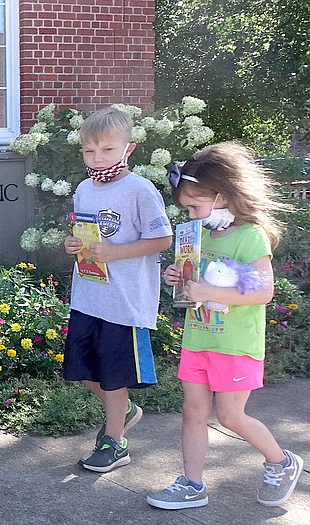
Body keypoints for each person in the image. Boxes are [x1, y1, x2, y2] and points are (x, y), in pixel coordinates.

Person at [148, 141, 302, 509]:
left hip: (234, 344)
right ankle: (192, 483)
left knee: (231, 416)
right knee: (193, 412)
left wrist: (207, 289)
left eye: (194, 206)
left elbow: (263, 291)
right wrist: (179, 277)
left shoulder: (249, 236)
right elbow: (194, 280)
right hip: (198, 338)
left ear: (220, 196)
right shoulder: (198, 236)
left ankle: (282, 461)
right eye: (185, 207)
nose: (190, 214)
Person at [62, 108, 173, 472]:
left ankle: (116, 443)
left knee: (114, 375)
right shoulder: (82, 189)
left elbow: (162, 238)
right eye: (90, 152)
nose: (98, 159)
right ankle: (123, 410)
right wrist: (74, 245)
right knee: (82, 369)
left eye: (108, 150)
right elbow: (87, 235)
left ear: (129, 148)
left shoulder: (140, 189)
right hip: (89, 296)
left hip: (124, 302)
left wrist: (117, 252)